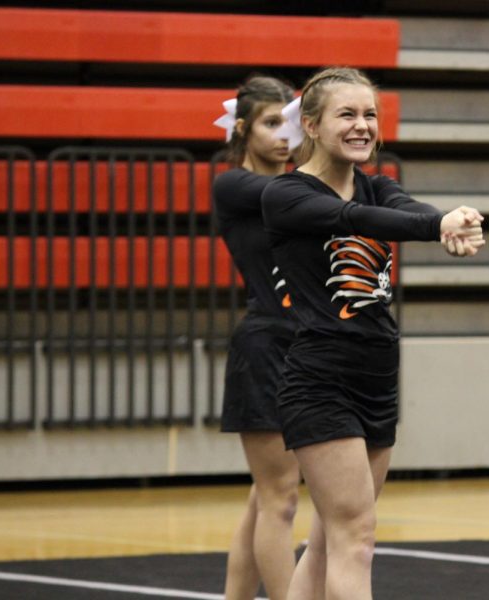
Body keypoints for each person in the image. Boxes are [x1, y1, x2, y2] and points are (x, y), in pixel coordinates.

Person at [261, 67, 485, 600]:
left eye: (370, 115)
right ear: (311, 126)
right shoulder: (286, 194)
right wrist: (437, 227)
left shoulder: (379, 185)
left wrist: (450, 222)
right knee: (356, 538)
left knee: (329, 540)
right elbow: (355, 218)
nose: (362, 126)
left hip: (377, 376)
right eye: (347, 115)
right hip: (321, 378)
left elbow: (404, 210)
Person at [211, 75, 302, 600]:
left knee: (265, 497)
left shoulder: (297, 187)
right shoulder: (234, 185)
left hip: (303, 343)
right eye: (272, 123)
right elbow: (289, 194)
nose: (284, 135)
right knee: (280, 499)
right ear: (242, 128)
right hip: (266, 345)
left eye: (291, 123)